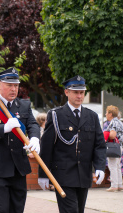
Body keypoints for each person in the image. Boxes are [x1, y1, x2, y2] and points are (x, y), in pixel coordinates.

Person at [0, 68, 40, 213]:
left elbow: (32, 124)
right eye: (9, 85)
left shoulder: (23, 105)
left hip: (18, 167)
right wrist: (3, 128)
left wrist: (35, 138)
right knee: (0, 209)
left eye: (16, 85)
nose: (13, 89)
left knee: (17, 208)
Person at [38, 75, 106, 213]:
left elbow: (99, 144)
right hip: (63, 175)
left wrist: (99, 167)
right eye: (76, 92)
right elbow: (47, 147)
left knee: (79, 210)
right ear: (66, 92)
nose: (79, 96)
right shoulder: (56, 115)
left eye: (82, 92)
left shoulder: (91, 116)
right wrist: (43, 174)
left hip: (84, 175)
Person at [104, 105, 123, 192]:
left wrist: (106, 134)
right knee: (117, 166)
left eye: (107, 112)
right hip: (120, 146)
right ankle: (119, 185)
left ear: (110, 114)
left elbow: (112, 135)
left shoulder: (113, 123)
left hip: (114, 146)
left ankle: (114, 185)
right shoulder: (119, 122)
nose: (105, 114)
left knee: (112, 166)